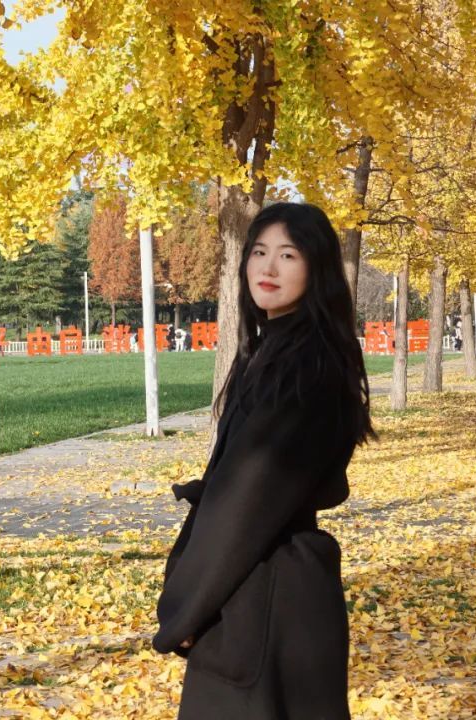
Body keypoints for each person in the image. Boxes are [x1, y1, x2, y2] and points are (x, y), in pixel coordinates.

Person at [154, 203, 374, 719]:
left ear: (317, 268)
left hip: (266, 602)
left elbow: (244, 501)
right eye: (258, 252)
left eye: (288, 255)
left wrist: (185, 608)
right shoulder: (275, 352)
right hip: (259, 595)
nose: (268, 268)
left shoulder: (304, 366)